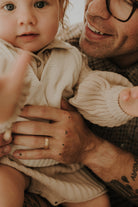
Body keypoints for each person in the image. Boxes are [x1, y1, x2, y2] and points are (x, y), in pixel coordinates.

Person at [0, 0, 137, 207]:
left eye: (40, 3)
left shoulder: (70, 57)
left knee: (99, 202)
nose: (26, 19)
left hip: (63, 170)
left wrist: (123, 101)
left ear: (61, 10)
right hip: (11, 162)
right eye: (9, 7)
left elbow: (93, 93)